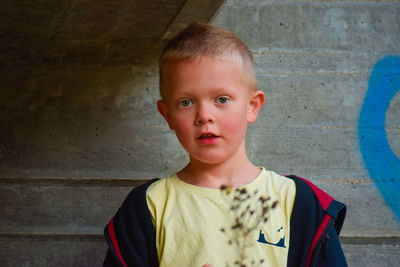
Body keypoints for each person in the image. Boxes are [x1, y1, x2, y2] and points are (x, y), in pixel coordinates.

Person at [103, 22, 347, 267]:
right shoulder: (148, 207)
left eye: (221, 99)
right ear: (167, 115)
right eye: (186, 102)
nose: (204, 115)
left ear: (252, 106)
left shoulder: (299, 203)